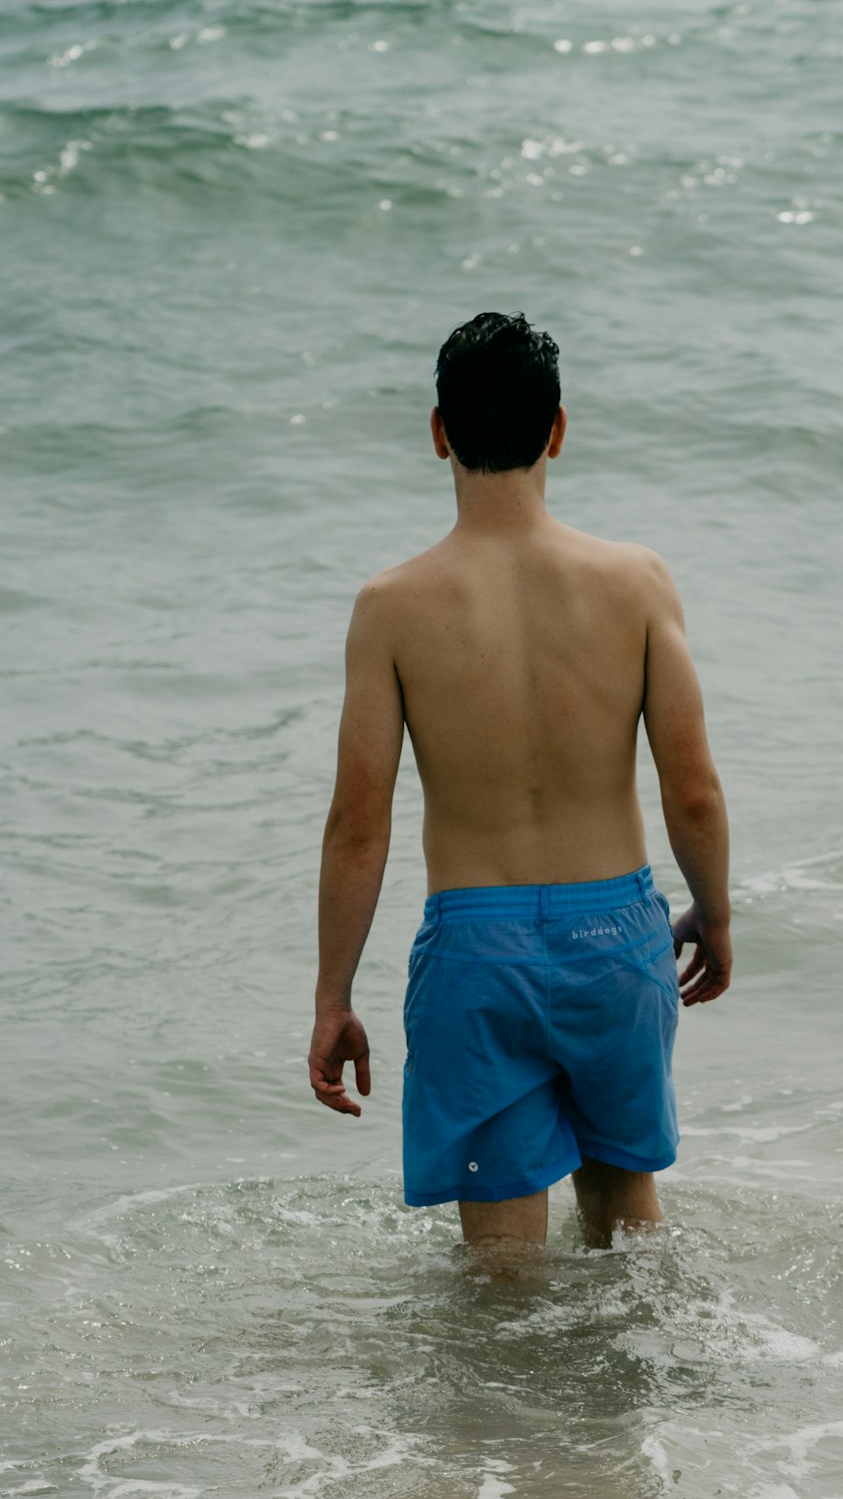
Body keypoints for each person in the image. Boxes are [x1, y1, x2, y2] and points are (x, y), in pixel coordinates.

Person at [308, 310, 732, 1261]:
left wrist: (333, 997)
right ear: (558, 430)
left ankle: (501, 1417)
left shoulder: (391, 608)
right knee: (627, 1214)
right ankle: (636, 1409)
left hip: (476, 950)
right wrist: (716, 913)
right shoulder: (635, 582)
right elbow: (693, 788)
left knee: (500, 1265)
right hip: (616, 939)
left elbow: (356, 823)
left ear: (437, 432)